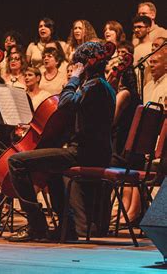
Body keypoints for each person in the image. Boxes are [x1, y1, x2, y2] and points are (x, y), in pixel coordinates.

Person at [6, 41, 116, 242]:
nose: (74, 69)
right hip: (94, 151)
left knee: (16, 161)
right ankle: (68, 227)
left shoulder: (94, 86)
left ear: (84, 64)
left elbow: (65, 104)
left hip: (86, 153)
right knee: (51, 167)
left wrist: (73, 79)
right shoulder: (102, 85)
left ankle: (36, 226)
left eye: (76, 65)